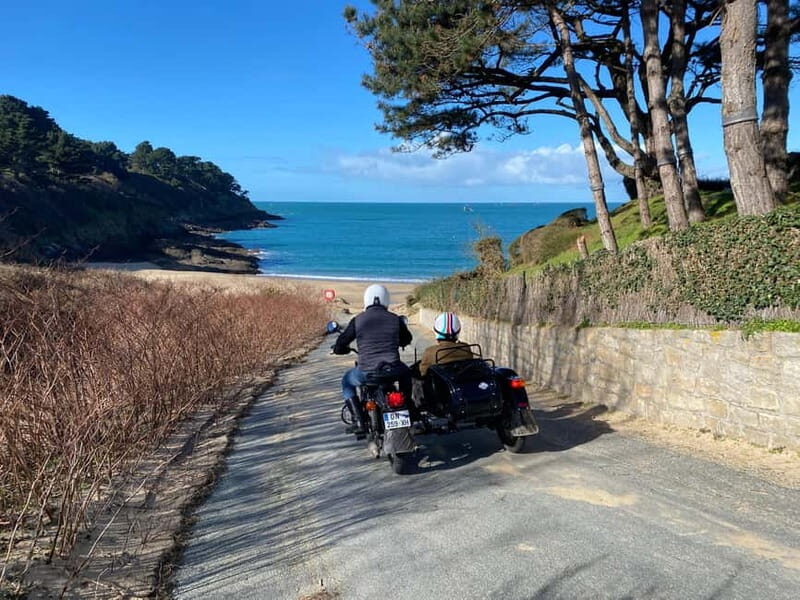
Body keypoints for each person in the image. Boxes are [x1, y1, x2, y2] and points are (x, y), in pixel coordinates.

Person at [332, 284, 413, 433]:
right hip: (393, 369)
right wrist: (398, 341)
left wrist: (339, 349)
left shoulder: (358, 320)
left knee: (346, 382)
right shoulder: (395, 319)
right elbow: (407, 339)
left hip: (366, 372)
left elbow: (342, 341)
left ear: (367, 299)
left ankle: (359, 420)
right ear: (386, 299)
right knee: (407, 374)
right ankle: (409, 407)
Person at [418, 312, 474, 377]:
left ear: (436, 331)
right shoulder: (466, 348)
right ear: (458, 331)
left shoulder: (430, 352)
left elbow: (423, 372)